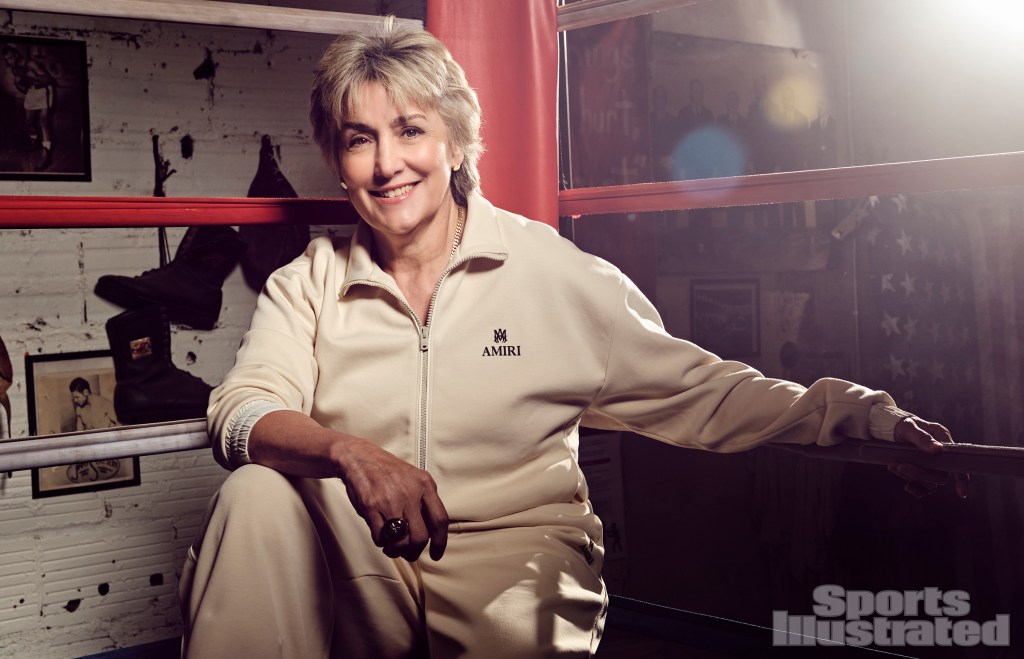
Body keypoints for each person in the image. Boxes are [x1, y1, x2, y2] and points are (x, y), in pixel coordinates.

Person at [179, 19, 968, 659]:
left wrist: (857, 414)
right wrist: (353, 454)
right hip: (361, 566)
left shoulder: (556, 276)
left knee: (520, 631)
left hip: (515, 564)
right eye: (359, 139)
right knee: (254, 493)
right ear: (336, 159)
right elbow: (240, 411)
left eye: (410, 130)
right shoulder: (311, 280)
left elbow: (705, 391)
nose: (387, 164)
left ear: (453, 141)